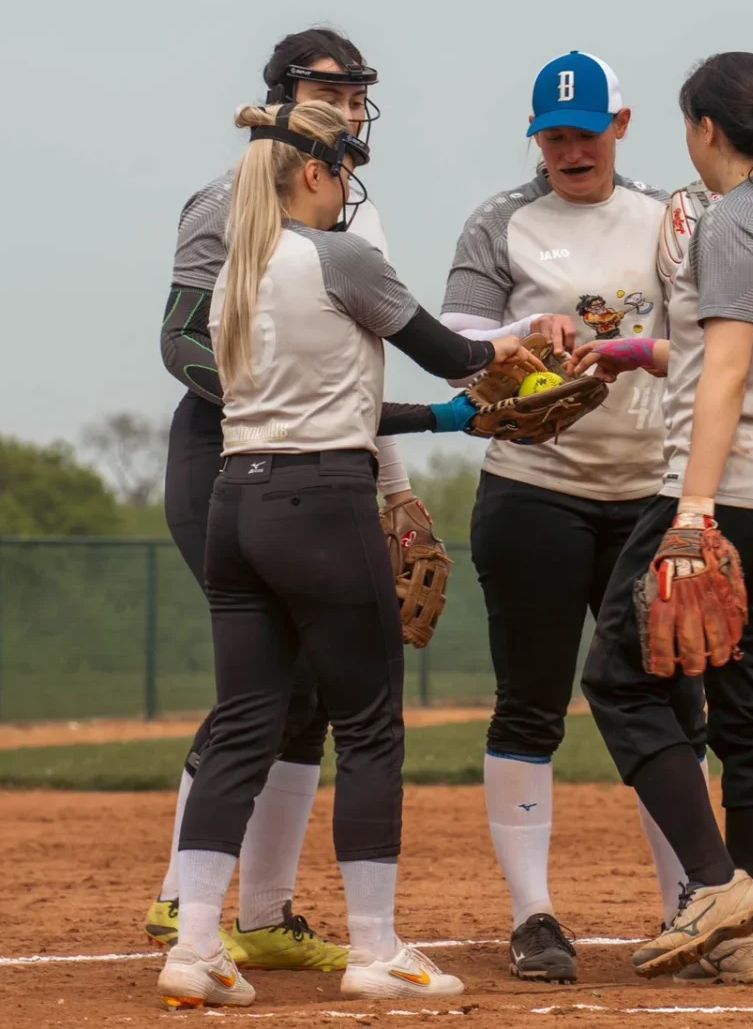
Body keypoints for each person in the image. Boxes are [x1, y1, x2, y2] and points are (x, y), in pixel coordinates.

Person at [157, 100, 534, 1009]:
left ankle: (196, 946)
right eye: (345, 171)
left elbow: (333, 397)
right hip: (323, 504)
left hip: (236, 502)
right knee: (368, 725)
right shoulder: (341, 256)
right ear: (315, 172)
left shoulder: (235, 269)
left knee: (244, 724)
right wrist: (543, 338)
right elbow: (456, 352)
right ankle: (376, 948)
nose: (349, 190)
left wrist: (446, 419)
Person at [149, 28, 443, 972]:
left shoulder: (353, 210)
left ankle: (261, 914)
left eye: (357, 93)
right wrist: (256, 401)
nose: (349, 106)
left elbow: (355, 369)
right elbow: (179, 338)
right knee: (276, 687)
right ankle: (181, 903)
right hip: (231, 451)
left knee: (306, 689)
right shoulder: (227, 198)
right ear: (282, 100)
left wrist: (393, 487)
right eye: (329, 92)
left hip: (316, 454)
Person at [440, 51, 709, 983]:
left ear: (620, 127)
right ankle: (534, 918)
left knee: (671, 705)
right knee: (530, 703)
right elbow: (454, 340)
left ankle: (691, 908)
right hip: (533, 490)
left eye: (585, 132)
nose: (569, 150)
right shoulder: (500, 220)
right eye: (552, 135)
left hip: (648, 492)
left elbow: (709, 340)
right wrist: (522, 333)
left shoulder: (668, 220)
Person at [578, 51, 753, 982]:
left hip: (720, 495)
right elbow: (742, 353)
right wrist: (635, 351)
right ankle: (741, 936)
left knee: (618, 680)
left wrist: (692, 512)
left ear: (705, 129)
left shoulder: (729, 220)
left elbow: (726, 371)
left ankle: (715, 884)